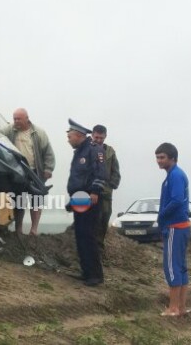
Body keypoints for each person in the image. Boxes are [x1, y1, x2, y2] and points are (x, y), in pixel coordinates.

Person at [1, 108, 55, 235]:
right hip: (18, 170)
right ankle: (18, 229)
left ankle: (34, 229)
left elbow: (48, 153)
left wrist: (48, 169)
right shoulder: (10, 129)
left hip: (35, 171)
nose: (16, 121)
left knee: (36, 200)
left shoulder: (38, 133)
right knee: (18, 200)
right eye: (14, 118)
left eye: (19, 119)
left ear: (26, 118)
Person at [66, 119, 107, 287]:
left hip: (90, 198)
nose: (68, 139)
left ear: (79, 135)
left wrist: (95, 191)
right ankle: (86, 272)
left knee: (88, 235)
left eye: (70, 136)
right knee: (80, 235)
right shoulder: (79, 152)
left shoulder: (94, 150)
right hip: (80, 197)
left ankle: (95, 275)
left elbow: (100, 172)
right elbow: (78, 178)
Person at [155, 142, 190, 316]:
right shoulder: (172, 175)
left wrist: (161, 215)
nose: (159, 161)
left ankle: (174, 308)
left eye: (162, 157)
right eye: (157, 157)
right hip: (180, 226)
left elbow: (177, 200)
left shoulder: (175, 175)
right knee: (181, 266)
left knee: (172, 267)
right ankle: (181, 307)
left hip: (175, 226)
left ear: (172, 158)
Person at [91, 124, 121, 255]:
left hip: (106, 193)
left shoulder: (110, 152)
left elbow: (116, 171)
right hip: (89, 192)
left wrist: (111, 185)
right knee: (92, 220)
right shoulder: (85, 149)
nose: (98, 140)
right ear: (92, 135)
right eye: (96, 137)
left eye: (101, 138)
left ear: (105, 137)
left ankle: (99, 248)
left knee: (104, 218)